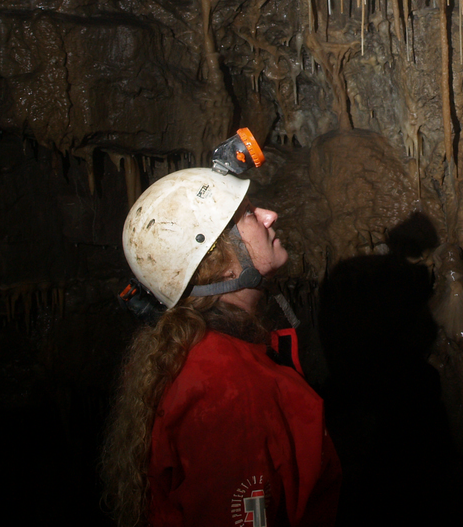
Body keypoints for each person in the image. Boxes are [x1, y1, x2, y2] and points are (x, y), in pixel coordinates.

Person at [102, 168, 340, 527]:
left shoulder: (199, 354)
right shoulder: (229, 390)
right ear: (220, 262)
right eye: (248, 214)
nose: (269, 216)